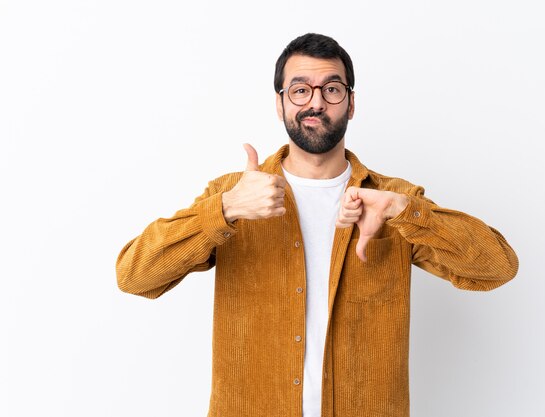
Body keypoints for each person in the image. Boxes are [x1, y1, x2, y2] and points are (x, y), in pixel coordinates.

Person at [116, 33, 518, 417]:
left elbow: (498, 267)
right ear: (281, 104)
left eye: (332, 89)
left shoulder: (390, 198)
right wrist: (224, 210)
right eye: (300, 90)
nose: (316, 102)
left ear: (351, 103)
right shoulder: (236, 194)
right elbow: (135, 275)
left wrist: (405, 210)